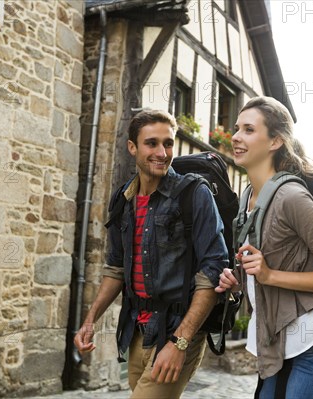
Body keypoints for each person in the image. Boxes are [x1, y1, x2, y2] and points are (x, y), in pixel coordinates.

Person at [74, 109, 228, 398]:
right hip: (137, 330)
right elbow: (116, 268)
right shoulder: (123, 199)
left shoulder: (194, 193)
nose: (162, 152)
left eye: (168, 143)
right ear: (132, 147)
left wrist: (180, 342)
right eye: (152, 143)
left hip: (176, 329)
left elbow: (213, 271)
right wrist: (90, 320)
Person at [216, 96, 313, 399]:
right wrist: (238, 282)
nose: (237, 137)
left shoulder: (292, 197)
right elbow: (269, 266)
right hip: (277, 343)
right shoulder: (247, 200)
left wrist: (269, 275)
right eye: (237, 128)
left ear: (275, 141)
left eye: (249, 130)